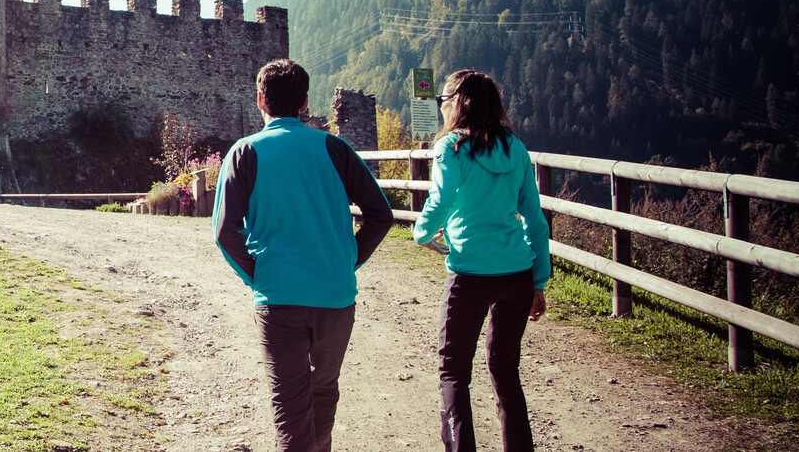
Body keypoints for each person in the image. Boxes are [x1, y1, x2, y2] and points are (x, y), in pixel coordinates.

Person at [214, 58, 394, 452]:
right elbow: (381, 215)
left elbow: (225, 233)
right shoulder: (335, 148)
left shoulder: (245, 152)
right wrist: (346, 260)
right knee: (324, 389)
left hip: (278, 297)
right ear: (305, 102)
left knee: (290, 407)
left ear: (260, 100)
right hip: (335, 295)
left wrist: (259, 274)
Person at [412, 69, 552, 452]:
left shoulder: (450, 147)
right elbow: (535, 221)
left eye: (442, 100)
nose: (440, 108)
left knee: (453, 372)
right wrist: (539, 282)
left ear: (456, 103)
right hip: (517, 274)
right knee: (505, 370)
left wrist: (422, 234)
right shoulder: (516, 148)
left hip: (469, 275)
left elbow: (441, 201)